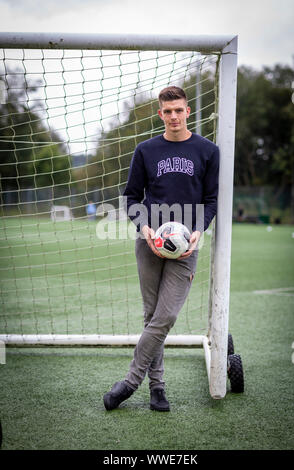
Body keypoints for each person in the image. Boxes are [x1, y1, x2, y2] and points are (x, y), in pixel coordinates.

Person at [103, 86, 219, 412]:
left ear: (188, 111)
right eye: (167, 112)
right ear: (160, 114)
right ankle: (158, 388)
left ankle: (130, 381)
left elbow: (211, 200)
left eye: (178, 110)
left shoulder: (208, 151)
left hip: (186, 246)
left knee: (165, 316)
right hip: (149, 242)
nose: (173, 117)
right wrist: (144, 228)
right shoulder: (146, 150)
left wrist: (198, 231)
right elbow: (130, 197)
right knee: (151, 315)